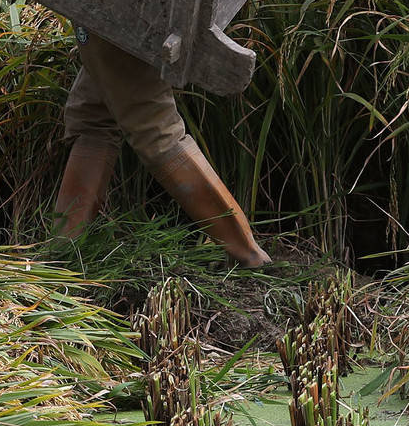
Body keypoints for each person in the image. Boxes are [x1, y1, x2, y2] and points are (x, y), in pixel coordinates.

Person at [51, 28, 270, 267]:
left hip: (113, 15)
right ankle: (66, 251)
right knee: (93, 118)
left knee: (155, 128)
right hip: (119, 13)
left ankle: (246, 253)